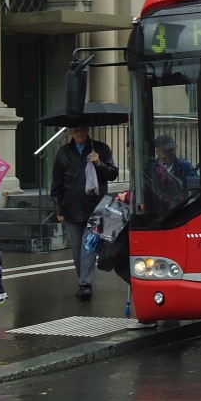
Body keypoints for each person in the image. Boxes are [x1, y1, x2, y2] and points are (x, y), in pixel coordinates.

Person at [51, 125, 118, 301]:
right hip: (71, 207)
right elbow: (57, 183)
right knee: (76, 250)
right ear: (71, 133)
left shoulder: (101, 149)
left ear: (87, 130)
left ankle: (85, 284)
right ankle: (83, 280)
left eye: (81, 130)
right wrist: (58, 208)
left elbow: (113, 174)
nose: (78, 133)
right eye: (75, 131)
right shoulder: (64, 153)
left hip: (95, 207)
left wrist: (99, 163)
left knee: (88, 247)